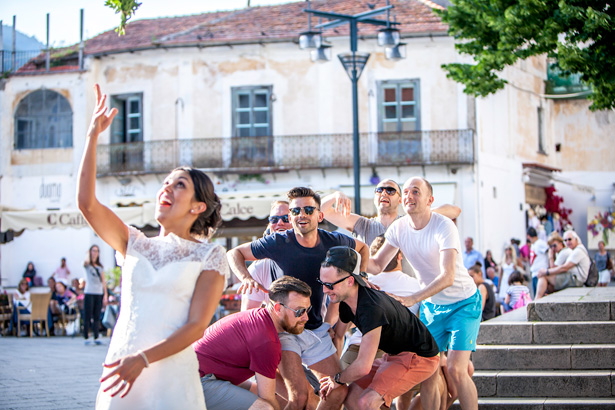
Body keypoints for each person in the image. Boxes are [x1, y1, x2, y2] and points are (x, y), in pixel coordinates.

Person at [78, 84, 228, 410]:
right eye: (165, 183)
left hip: (168, 371)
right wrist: (91, 137)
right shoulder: (133, 243)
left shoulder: (209, 256)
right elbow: (88, 205)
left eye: (180, 185)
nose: (167, 188)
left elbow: (197, 326)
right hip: (122, 363)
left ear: (198, 207)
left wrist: (143, 359)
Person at [228, 186, 369, 410]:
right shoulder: (278, 243)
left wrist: (360, 276)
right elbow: (233, 253)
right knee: (300, 397)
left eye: (308, 210)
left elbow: (362, 248)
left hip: (313, 328)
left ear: (319, 216)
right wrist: (245, 277)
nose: (301, 215)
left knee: (337, 390)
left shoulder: (333, 241)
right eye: (295, 211)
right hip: (283, 330)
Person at [367, 176, 481, 410]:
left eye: (415, 192)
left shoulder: (443, 225)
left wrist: (414, 298)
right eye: (406, 191)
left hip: (463, 303)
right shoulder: (399, 228)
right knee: (428, 372)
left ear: (430, 200)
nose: (409, 195)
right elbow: (377, 265)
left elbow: (447, 276)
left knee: (456, 370)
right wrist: (353, 258)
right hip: (432, 307)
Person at [319, 246, 440, 409]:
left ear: (350, 280)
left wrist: (337, 378)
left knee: (366, 402)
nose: (325, 290)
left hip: (418, 357)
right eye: (322, 283)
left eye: (329, 284)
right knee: (352, 397)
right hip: (394, 355)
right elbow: (338, 335)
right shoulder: (348, 301)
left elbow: (363, 366)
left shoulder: (371, 308)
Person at [195, 276, 312, 410]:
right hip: (197, 381)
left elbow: (269, 380)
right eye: (300, 311)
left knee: (276, 399)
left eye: (307, 310)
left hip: (210, 375)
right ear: (278, 309)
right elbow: (266, 399)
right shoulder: (266, 340)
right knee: (264, 407)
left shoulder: (262, 319)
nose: (306, 317)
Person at [321, 179, 461, 247]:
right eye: (379, 190)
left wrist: (423, 211)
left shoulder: (409, 222)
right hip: (373, 295)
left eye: (390, 190)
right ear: (375, 197)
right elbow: (321, 211)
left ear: (400, 200)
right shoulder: (363, 225)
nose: (384, 193)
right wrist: (335, 195)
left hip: (406, 295)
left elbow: (455, 211)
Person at [241, 200, 292, 311]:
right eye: (274, 219)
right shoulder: (259, 268)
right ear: (269, 226)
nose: (280, 223)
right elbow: (248, 316)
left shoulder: (314, 253)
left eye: (286, 218)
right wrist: (246, 278)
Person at [535, 230, 591, 299]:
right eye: (566, 240)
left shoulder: (575, 251)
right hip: (574, 278)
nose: (567, 242)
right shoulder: (573, 250)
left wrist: (546, 271)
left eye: (569, 239)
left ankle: (536, 300)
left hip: (576, 280)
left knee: (544, 276)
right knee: (548, 285)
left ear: (576, 239)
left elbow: (563, 268)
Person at [82, 245, 108, 345]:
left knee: (97, 315)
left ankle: (96, 336)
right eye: (93, 251)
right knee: (88, 315)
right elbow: (85, 262)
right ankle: (86, 336)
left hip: (98, 292)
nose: (95, 253)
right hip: (89, 292)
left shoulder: (100, 267)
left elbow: (103, 281)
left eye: (97, 251)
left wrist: (105, 294)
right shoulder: (87, 265)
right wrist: (89, 255)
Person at [527, 227, 549, 296]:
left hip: (540, 272)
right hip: (534, 272)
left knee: (540, 295)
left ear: (528, 236)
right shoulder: (533, 245)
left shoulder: (540, 243)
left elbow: (548, 251)